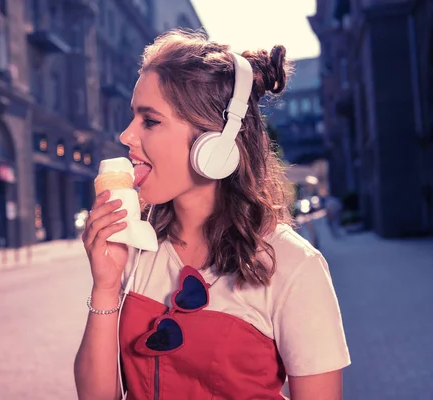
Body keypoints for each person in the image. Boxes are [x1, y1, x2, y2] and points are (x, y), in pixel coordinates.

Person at [74, 29, 350, 400]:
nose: (126, 135)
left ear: (215, 144)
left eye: (149, 121)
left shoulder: (294, 265)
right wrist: (105, 287)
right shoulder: (139, 249)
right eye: (132, 118)